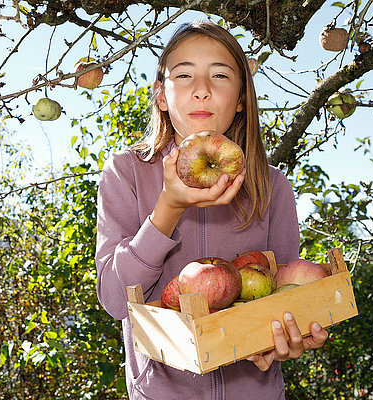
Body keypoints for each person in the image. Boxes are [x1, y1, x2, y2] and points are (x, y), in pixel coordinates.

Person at [95, 20, 329, 400]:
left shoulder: (271, 186)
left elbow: (282, 298)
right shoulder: (127, 174)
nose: (201, 90)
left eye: (220, 75)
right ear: (161, 95)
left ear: (240, 99)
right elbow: (116, 300)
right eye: (184, 75)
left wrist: (290, 333)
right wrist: (168, 209)